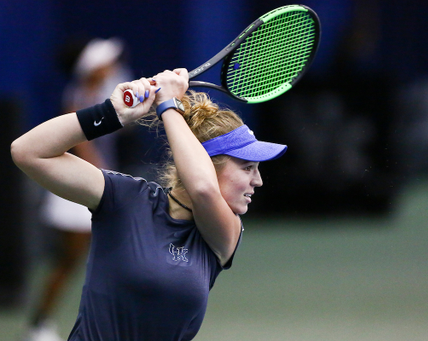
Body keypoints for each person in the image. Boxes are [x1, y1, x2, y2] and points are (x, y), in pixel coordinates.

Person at [11, 68, 287, 340]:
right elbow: (28, 152)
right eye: (248, 167)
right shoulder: (124, 197)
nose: (258, 181)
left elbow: (203, 188)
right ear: (209, 161)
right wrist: (111, 113)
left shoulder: (225, 232)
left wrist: (168, 105)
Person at [22, 37, 133, 341]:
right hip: (80, 191)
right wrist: (109, 186)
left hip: (98, 187)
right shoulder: (80, 98)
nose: (114, 67)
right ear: (92, 69)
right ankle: (39, 325)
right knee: (70, 263)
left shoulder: (103, 92)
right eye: (106, 63)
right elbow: (86, 151)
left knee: (106, 261)